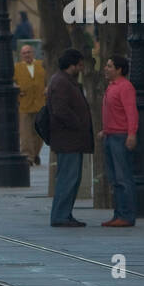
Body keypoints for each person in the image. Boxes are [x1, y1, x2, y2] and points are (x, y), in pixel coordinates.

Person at [47, 49, 93, 227]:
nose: (81, 69)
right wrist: (78, 123)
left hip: (72, 140)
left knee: (72, 178)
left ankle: (65, 213)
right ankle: (60, 215)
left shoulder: (66, 81)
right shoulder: (61, 82)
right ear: (71, 65)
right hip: (68, 140)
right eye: (79, 65)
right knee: (68, 178)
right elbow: (60, 110)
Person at [98, 54, 138, 227]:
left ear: (119, 69)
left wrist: (131, 134)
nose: (106, 69)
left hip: (120, 138)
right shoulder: (111, 86)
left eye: (109, 66)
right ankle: (118, 213)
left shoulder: (125, 87)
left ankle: (127, 215)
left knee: (123, 178)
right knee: (114, 179)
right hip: (110, 136)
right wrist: (105, 131)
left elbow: (131, 112)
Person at [14, 44, 47, 166]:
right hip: (25, 105)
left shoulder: (41, 65)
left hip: (40, 103)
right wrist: (18, 92)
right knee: (26, 133)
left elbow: (48, 80)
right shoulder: (17, 67)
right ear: (21, 55)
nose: (27, 55)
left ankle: (35, 153)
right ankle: (28, 157)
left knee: (39, 133)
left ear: (33, 53)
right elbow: (12, 83)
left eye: (28, 52)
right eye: (24, 53)